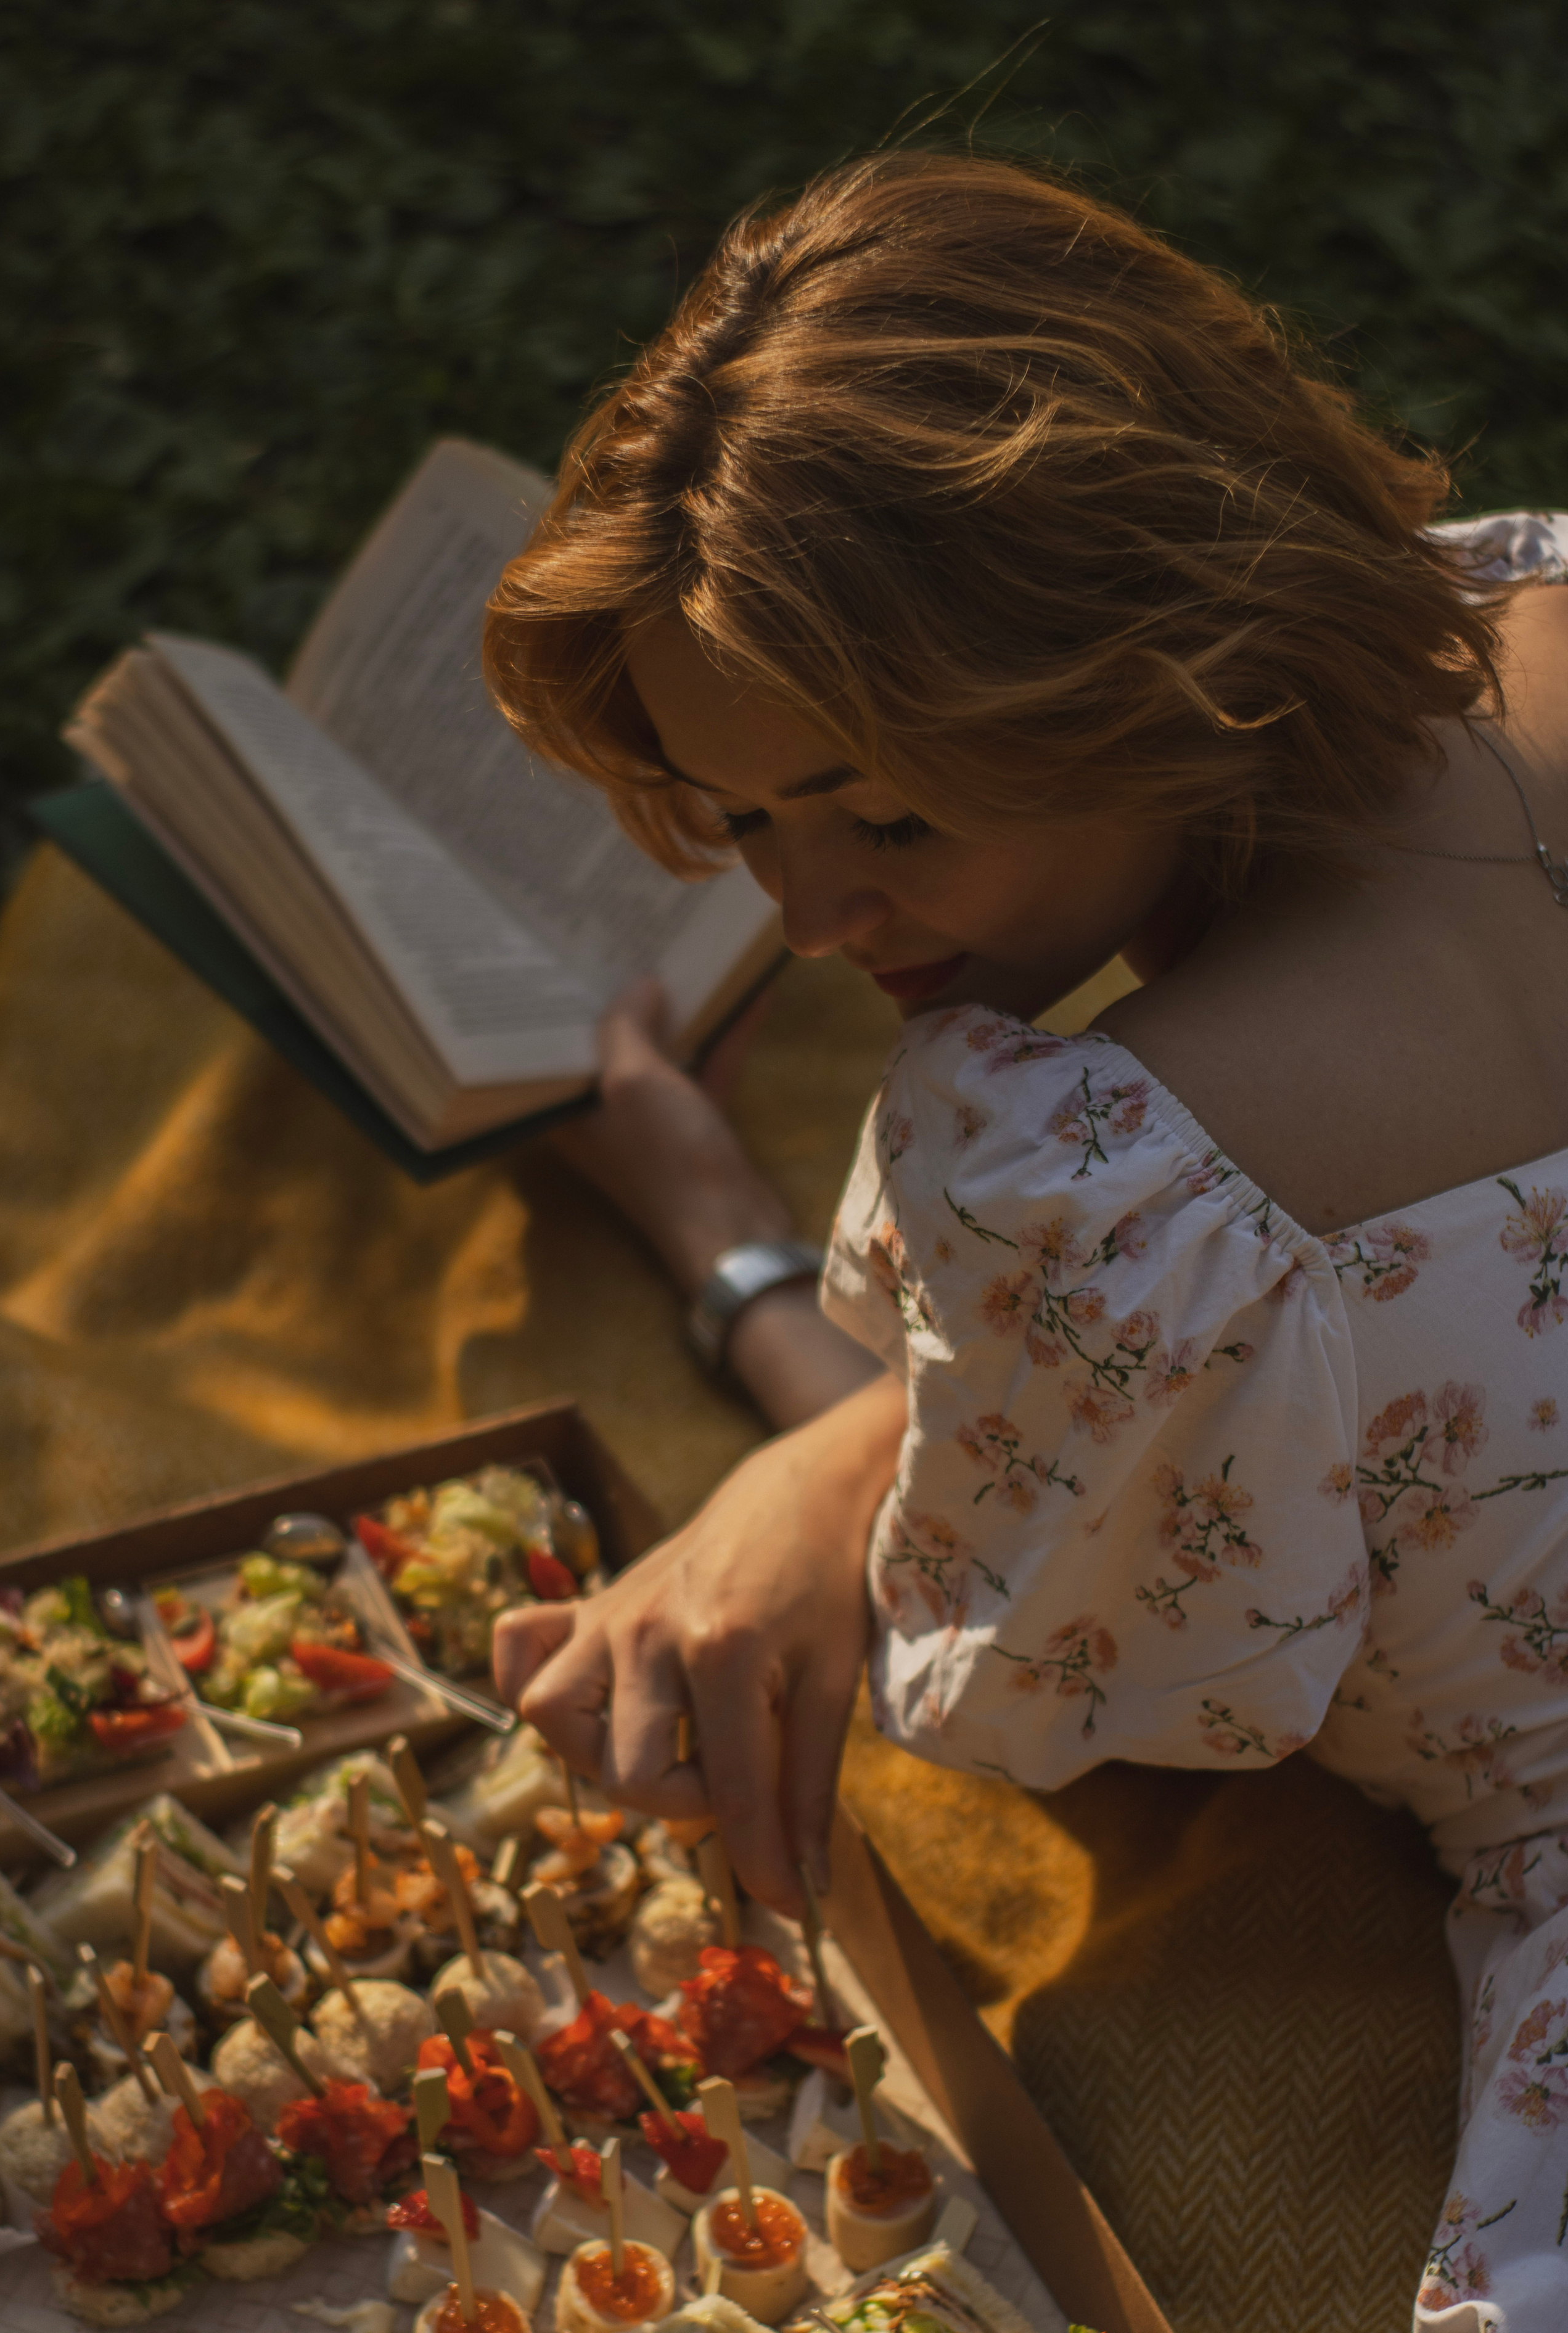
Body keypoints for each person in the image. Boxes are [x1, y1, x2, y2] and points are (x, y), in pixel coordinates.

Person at [485, 150, 1568, 2327]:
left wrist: (756, 1303)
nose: (812, 918)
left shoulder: (1121, 1184)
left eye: (891, 814)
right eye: (750, 819)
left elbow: (1067, 1660)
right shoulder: (1536, 598)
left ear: (1151, 650)